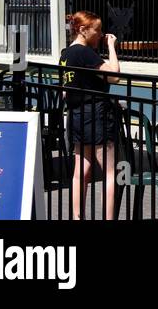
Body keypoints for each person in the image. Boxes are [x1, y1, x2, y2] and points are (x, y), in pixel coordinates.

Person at [59, 11, 121, 220]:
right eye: (98, 30)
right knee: (111, 172)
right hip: (96, 113)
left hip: (76, 114)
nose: (101, 35)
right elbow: (114, 76)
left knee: (81, 170)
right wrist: (112, 47)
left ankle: (77, 217)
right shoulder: (85, 53)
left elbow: (65, 89)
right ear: (83, 30)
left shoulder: (66, 54)